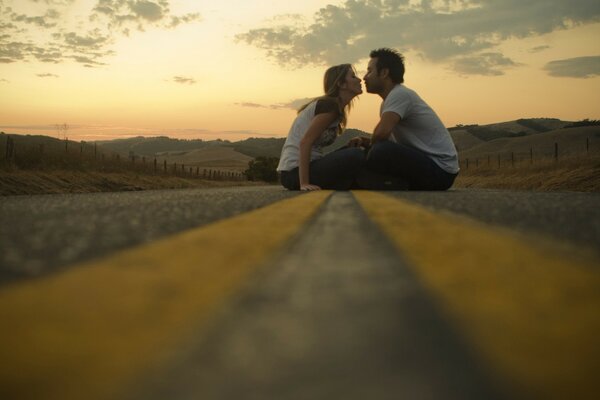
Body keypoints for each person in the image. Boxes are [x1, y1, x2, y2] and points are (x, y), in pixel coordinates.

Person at [351, 48, 459, 190]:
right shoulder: (389, 101)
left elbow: (381, 134)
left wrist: (371, 144)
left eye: (370, 71)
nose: (365, 77)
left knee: (380, 151)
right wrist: (365, 142)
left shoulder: (400, 94)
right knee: (373, 149)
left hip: (440, 170)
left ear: (384, 73)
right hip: (430, 166)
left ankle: (382, 182)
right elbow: (386, 140)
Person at [277, 64, 365, 191]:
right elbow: (305, 142)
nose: (359, 79)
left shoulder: (336, 109)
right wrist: (304, 184)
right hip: (293, 173)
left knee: (356, 150)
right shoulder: (329, 106)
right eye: (353, 76)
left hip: (310, 166)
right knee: (355, 155)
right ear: (341, 84)